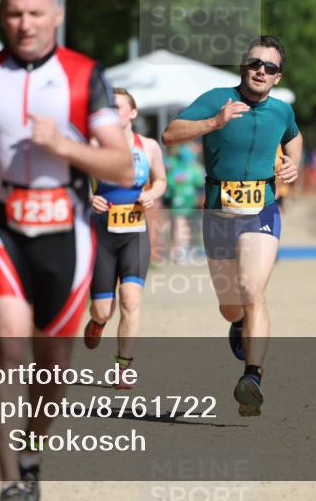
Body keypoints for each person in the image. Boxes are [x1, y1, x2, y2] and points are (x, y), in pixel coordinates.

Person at [0, 0, 133, 501]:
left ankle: (29, 451)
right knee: (9, 348)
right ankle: (8, 482)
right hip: (1, 227)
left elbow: (119, 166)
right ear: (3, 17)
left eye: (35, 13)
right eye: (15, 14)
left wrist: (66, 147)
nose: (25, 24)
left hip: (66, 231)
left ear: (57, 16)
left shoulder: (83, 75)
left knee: (53, 370)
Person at [162, 35, 302, 417]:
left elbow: (295, 137)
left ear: (277, 77)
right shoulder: (216, 98)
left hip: (262, 211)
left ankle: (252, 378)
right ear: (243, 67)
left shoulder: (281, 111)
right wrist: (214, 122)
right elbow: (170, 134)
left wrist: (294, 163)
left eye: (269, 67)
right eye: (255, 64)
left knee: (254, 291)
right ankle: (238, 323)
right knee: (230, 307)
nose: (261, 71)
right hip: (219, 215)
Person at [84, 88, 167, 388]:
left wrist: (151, 195)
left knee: (130, 301)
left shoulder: (149, 147)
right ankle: (97, 321)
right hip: (102, 234)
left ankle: (123, 366)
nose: (112, 112)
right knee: (103, 309)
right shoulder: (93, 146)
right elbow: (75, 182)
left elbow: (160, 181)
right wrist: (89, 197)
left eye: (118, 107)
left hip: (135, 234)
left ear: (132, 113)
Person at [163, 143, 204, 261]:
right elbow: (200, 184)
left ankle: (180, 251)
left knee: (180, 224)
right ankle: (180, 251)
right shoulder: (193, 167)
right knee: (181, 225)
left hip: (181, 199)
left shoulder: (173, 163)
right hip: (184, 198)